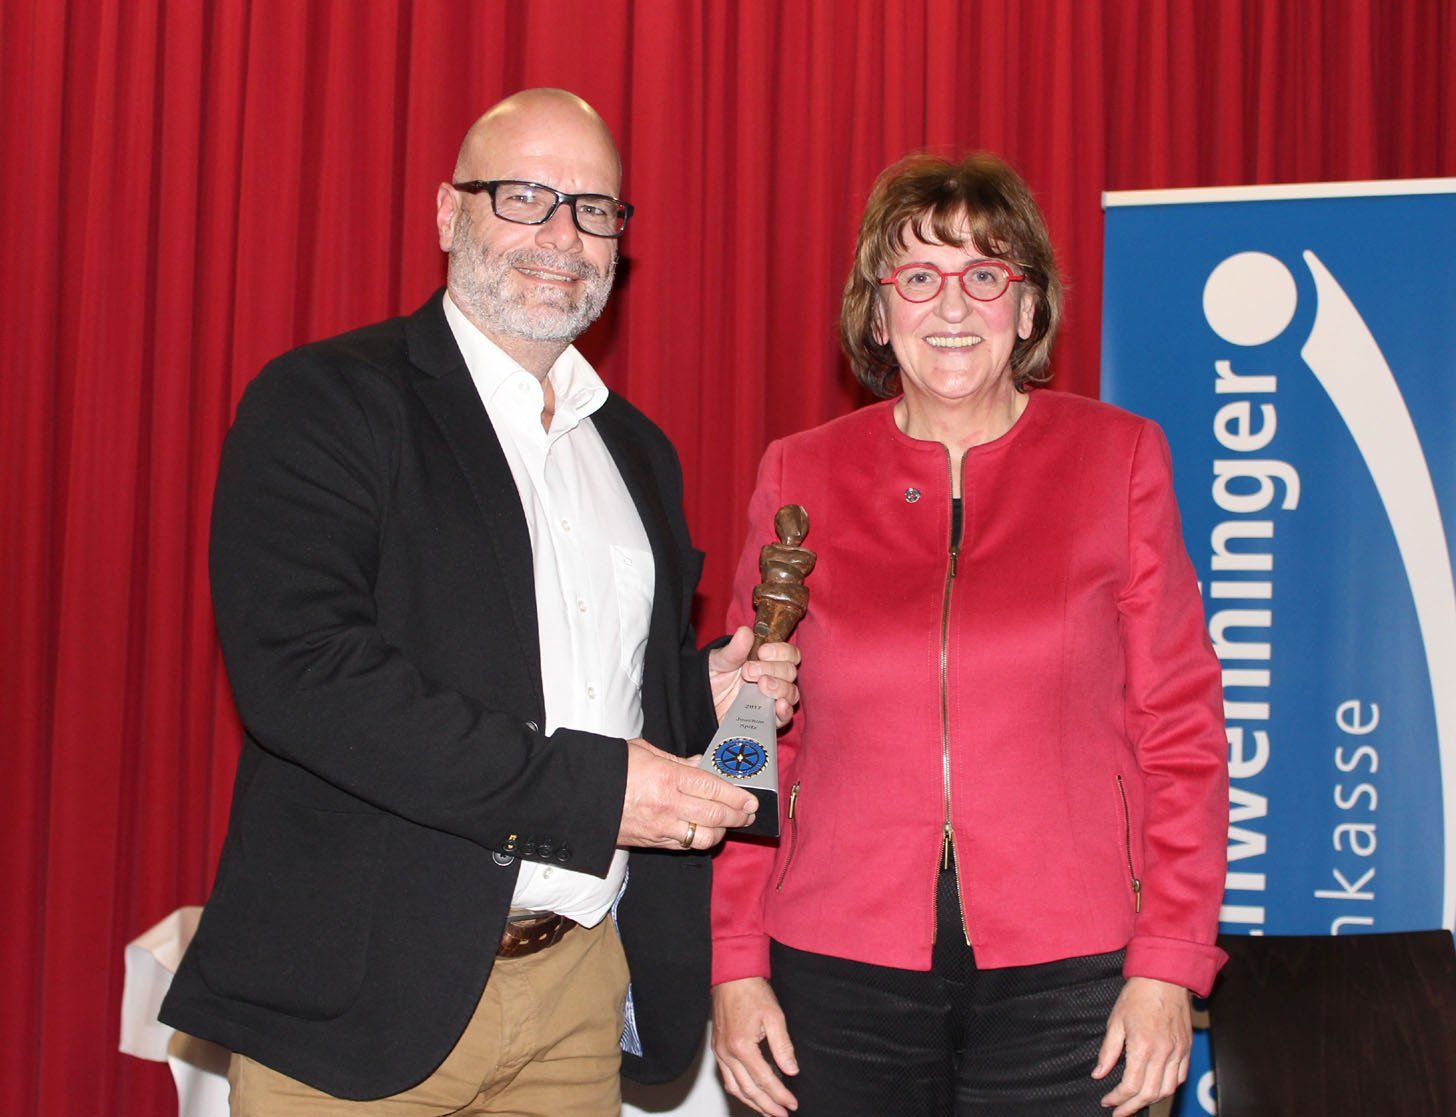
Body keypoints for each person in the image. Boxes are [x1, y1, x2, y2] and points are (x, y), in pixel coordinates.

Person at [160, 88, 799, 1115]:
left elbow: (597, 691)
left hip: (577, 994)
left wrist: (703, 692)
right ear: (449, 213)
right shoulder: (324, 400)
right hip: (362, 1001)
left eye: (594, 209)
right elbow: (306, 677)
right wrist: (591, 793)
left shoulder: (636, 451)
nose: (563, 235)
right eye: (525, 196)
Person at [709, 152, 1228, 1117]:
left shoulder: (1119, 459)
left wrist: (1168, 959)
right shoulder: (799, 475)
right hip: (836, 971)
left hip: (1076, 977)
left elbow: (1182, 731)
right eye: (918, 276)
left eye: (985, 274)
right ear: (878, 312)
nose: (952, 305)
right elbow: (751, 735)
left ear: (1027, 308)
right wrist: (737, 958)